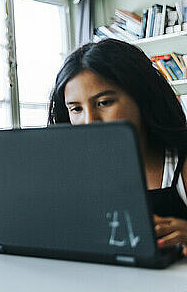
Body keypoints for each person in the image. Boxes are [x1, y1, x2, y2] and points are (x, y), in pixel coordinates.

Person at [48, 38, 187, 252]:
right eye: (76, 109)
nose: (90, 121)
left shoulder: (181, 165)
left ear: (142, 98)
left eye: (104, 103)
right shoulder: (69, 173)